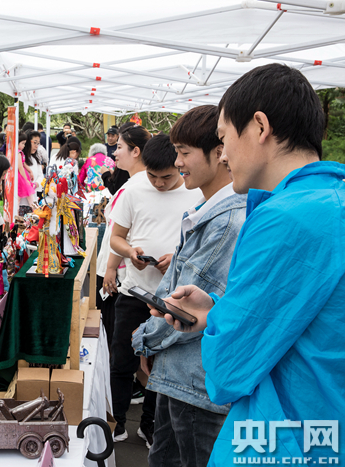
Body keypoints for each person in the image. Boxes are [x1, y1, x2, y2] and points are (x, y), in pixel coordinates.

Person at [153, 64, 345, 466]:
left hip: (284, 441)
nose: (223, 155)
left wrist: (222, 327)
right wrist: (217, 312)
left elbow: (226, 369)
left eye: (223, 139)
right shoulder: (330, 200)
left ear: (260, 127)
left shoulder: (286, 217)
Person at [132, 105, 245, 466]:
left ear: (219, 153)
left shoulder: (226, 221)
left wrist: (144, 340)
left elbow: (185, 308)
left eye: (184, 153)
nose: (178, 163)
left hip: (196, 382)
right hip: (182, 375)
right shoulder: (210, 210)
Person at [108, 131, 201, 446]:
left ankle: (149, 426)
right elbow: (116, 238)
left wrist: (176, 259)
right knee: (122, 362)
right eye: (152, 176)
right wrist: (130, 251)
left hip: (172, 301)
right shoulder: (134, 190)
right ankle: (116, 421)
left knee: (160, 369)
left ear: (178, 165)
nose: (159, 183)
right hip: (134, 293)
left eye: (166, 177)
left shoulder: (196, 193)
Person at [98, 127, 150, 362]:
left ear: (136, 151)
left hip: (119, 274)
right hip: (117, 270)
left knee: (117, 341)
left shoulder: (136, 186)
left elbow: (122, 234)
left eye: (119, 147)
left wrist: (110, 267)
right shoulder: (133, 184)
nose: (115, 153)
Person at [16, 131, 37, 215]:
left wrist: (30, 171)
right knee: (28, 195)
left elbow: (23, 164)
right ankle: (36, 211)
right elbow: (20, 167)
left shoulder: (19, 152)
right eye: (23, 143)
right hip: (21, 176)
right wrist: (25, 179)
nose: (24, 146)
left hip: (22, 175)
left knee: (20, 197)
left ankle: (15, 214)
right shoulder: (18, 152)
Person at [22, 129, 44, 196]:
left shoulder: (35, 159)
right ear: (27, 142)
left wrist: (35, 184)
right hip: (21, 196)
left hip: (33, 195)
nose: (36, 146)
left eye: (38, 143)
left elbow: (41, 176)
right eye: (35, 142)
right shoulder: (20, 158)